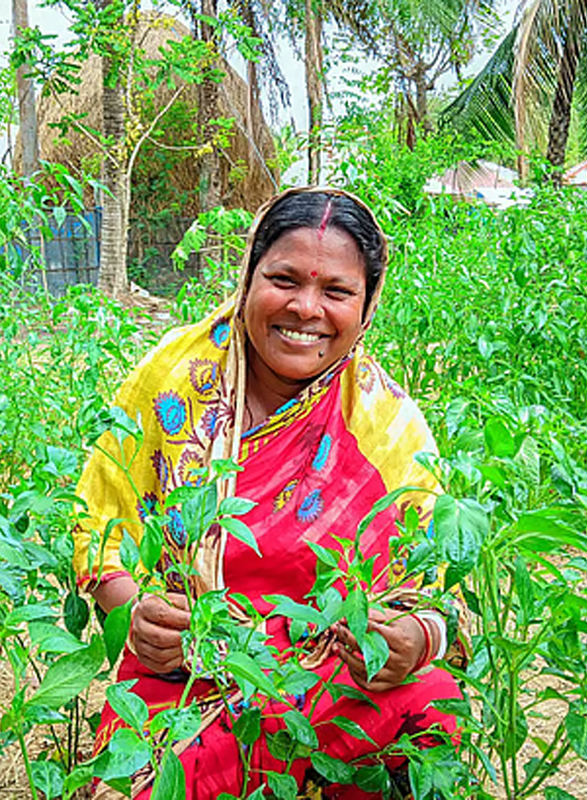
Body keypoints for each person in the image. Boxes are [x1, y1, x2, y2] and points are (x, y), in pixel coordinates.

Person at [72, 187, 466, 799]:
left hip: (330, 672)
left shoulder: (384, 424)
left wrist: (415, 640)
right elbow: (101, 526)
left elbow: (434, 586)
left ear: (367, 308)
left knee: (430, 709)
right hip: (189, 668)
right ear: (248, 276)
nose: (306, 309)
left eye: (336, 291)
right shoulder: (172, 382)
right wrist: (134, 617)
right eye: (284, 279)